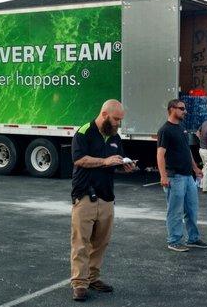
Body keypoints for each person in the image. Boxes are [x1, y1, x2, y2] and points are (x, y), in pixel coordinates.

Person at [69, 99, 135, 302]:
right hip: (85, 196)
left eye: (120, 120)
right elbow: (79, 159)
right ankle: (79, 284)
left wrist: (124, 165)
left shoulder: (114, 136)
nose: (118, 124)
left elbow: (118, 158)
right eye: (116, 119)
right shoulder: (84, 132)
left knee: (101, 242)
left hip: (107, 197)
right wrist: (105, 161)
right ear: (104, 114)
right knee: (81, 243)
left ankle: (92, 278)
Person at [157, 99, 207, 252]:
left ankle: (193, 238)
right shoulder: (165, 130)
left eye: (184, 109)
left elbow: (187, 151)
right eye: (181, 108)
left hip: (188, 176)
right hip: (174, 176)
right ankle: (174, 240)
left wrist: (195, 168)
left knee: (192, 209)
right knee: (175, 211)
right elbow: (160, 155)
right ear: (171, 109)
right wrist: (163, 176)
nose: (184, 111)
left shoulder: (181, 128)